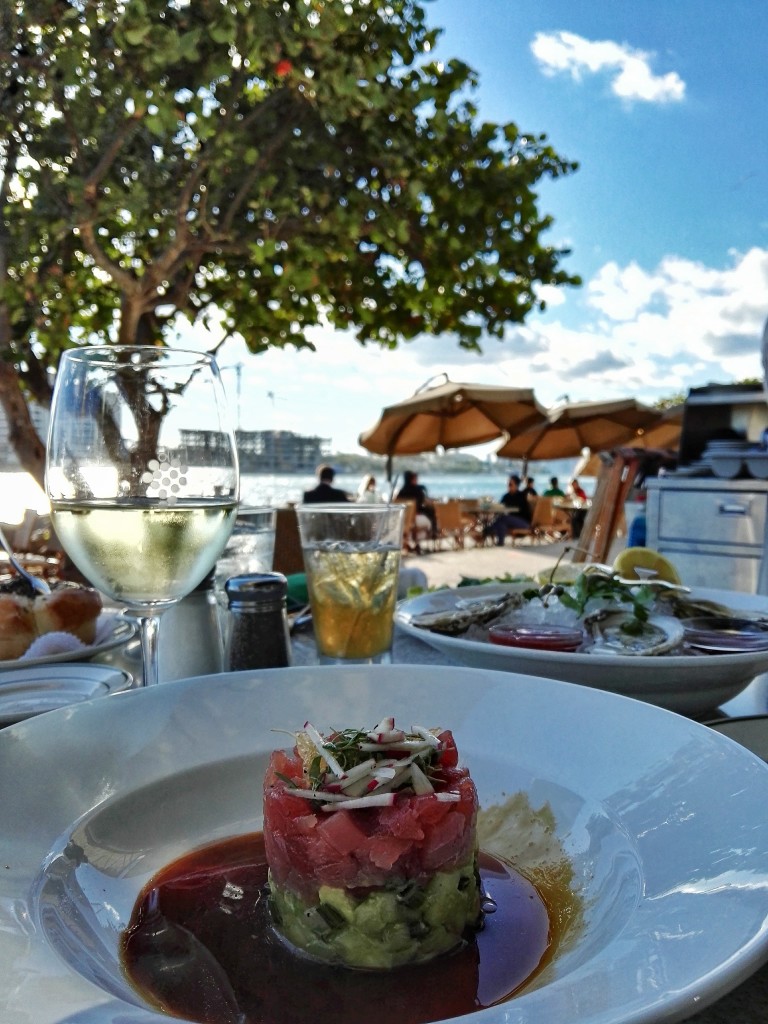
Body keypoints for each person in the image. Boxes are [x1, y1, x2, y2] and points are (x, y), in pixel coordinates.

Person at [488, 474, 531, 546]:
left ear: (517, 485)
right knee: (502, 523)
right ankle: (500, 544)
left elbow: (518, 509)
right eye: (508, 484)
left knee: (503, 518)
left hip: (523, 522)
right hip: (510, 521)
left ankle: (488, 529)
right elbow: (500, 506)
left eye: (510, 484)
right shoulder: (506, 496)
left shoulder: (521, 496)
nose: (508, 486)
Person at [395, 469, 438, 538]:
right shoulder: (418, 490)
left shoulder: (401, 492)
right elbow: (422, 502)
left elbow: (396, 503)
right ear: (412, 479)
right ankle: (434, 532)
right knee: (431, 511)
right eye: (415, 479)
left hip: (403, 518)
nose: (417, 480)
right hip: (415, 516)